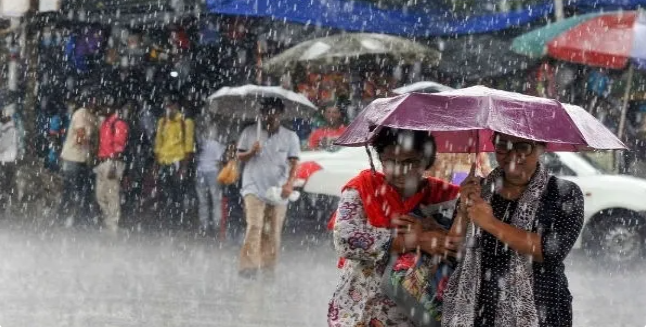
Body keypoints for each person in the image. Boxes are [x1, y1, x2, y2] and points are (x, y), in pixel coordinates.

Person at [442, 133, 585, 327]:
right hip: (480, 312)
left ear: (541, 148)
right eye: (503, 145)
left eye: (523, 147)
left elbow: (551, 251)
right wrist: (463, 212)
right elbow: (452, 252)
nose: (511, 154)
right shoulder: (479, 190)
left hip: (541, 310)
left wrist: (490, 223)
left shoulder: (564, 193)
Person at [327, 127, 461, 327]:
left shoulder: (444, 196)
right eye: (390, 161)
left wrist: (437, 229)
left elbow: (460, 244)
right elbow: (346, 240)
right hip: (364, 306)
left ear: (426, 161)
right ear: (380, 159)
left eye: (410, 162)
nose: (399, 170)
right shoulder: (362, 188)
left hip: (416, 310)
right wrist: (413, 241)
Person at [236, 98, 300, 278]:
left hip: (278, 189)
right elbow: (239, 156)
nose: (269, 116)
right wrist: (251, 152)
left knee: (272, 231)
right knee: (255, 225)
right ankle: (248, 267)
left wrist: (289, 184)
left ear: (280, 114)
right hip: (253, 186)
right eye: (265, 112)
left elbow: (294, 163)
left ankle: (267, 267)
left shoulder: (290, 136)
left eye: (273, 112)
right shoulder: (250, 132)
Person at [153, 92, 195, 228]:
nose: (168, 108)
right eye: (166, 106)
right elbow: (158, 144)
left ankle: (177, 222)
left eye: (170, 106)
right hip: (164, 163)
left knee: (178, 195)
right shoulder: (162, 122)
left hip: (178, 163)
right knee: (164, 194)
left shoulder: (185, 122)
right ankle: (166, 221)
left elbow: (189, 146)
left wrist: (183, 168)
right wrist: (156, 165)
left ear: (176, 106)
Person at [58, 91, 99, 227]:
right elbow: (80, 137)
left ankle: (75, 218)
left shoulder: (92, 116)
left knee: (80, 189)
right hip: (73, 157)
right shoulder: (81, 114)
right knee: (71, 189)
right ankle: (64, 217)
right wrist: (92, 144)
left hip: (82, 159)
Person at [95, 98, 129, 233]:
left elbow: (119, 147)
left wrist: (113, 166)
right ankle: (108, 222)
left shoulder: (118, 123)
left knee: (112, 196)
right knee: (100, 196)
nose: (102, 109)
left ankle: (112, 227)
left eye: (105, 107)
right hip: (103, 162)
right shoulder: (106, 122)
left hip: (112, 162)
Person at [195, 115, 227, 236]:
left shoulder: (201, 143)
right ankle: (216, 225)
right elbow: (220, 161)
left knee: (203, 201)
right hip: (213, 173)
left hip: (200, 172)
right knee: (215, 200)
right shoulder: (219, 145)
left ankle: (204, 225)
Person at [0, 105, 18, 216]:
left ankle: (3, 209)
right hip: (6, 161)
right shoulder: (6, 128)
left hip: (5, 161)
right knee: (5, 185)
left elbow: (2, 145)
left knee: (4, 186)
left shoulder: (10, 129)